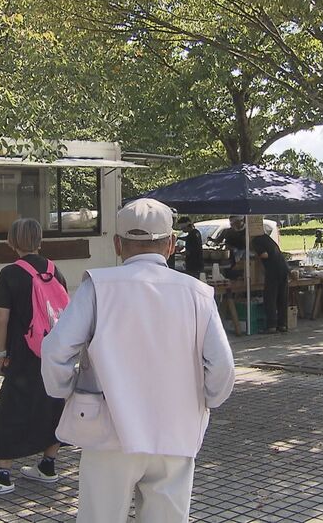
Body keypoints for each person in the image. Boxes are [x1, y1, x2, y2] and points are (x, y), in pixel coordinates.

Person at [41, 198, 236, 522]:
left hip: (107, 428)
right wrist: (208, 400)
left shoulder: (98, 286)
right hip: (176, 430)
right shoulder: (198, 293)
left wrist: (65, 391)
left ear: (118, 244)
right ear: (171, 244)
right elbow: (222, 366)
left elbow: (55, 349)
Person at [0, 218, 68, 497]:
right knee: (52, 405)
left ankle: (2, 475)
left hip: (22, 353)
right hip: (52, 351)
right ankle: (47, 465)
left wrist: (1, 353)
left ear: (12, 241)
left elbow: (2, 317)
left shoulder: (10, 273)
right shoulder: (53, 270)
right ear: (39, 240)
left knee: (10, 411)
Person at [250, 218, 290, 333]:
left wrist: (255, 255)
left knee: (270, 297)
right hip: (283, 268)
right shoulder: (267, 238)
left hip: (273, 270)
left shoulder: (256, 241)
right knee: (282, 297)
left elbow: (264, 255)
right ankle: (283, 324)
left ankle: (271, 325)